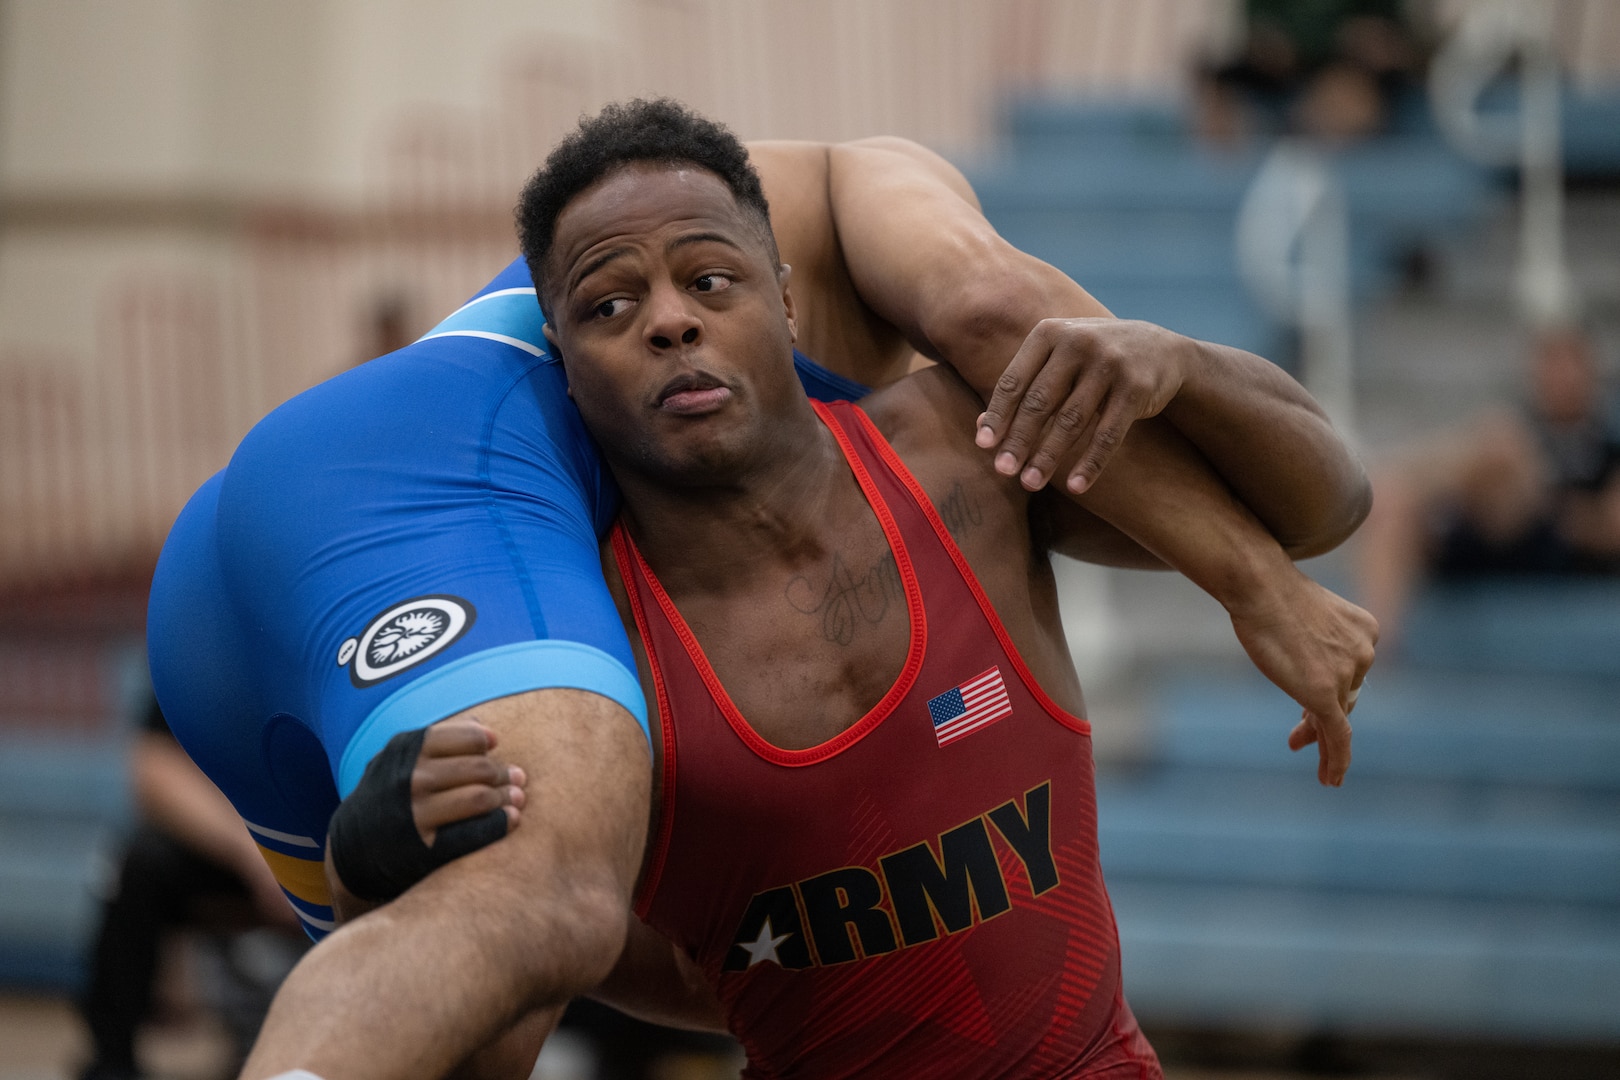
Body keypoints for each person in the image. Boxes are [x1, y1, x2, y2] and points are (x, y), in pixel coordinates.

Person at [146, 101, 1372, 1080]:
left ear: (788, 300)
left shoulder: (960, 455)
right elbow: (526, 961)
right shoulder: (590, 654)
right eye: (610, 308)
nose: (670, 324)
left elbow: (1329, 500)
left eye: (710, 282)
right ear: (560, 373)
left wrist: (1181, 366)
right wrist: (376, 874)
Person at [76, 698, 306, 1080]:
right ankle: (112, 1062)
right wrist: (256, 860)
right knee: (136, 865)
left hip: (339, 837)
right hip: (248, 854)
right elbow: (154, 769)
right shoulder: (201, 648)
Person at [1356, 325, 1620, 650]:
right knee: (1394, 512)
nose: (1560, 377)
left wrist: (1553, 504)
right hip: (1482, 530)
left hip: (1548, 544)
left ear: (1590, 373)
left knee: (1500, 443)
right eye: (1550, 364)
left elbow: (1610, 529)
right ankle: (1375, 654)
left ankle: (1384, 472)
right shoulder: (1528, 424)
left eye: (1569, 365)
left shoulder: (1606, 445)